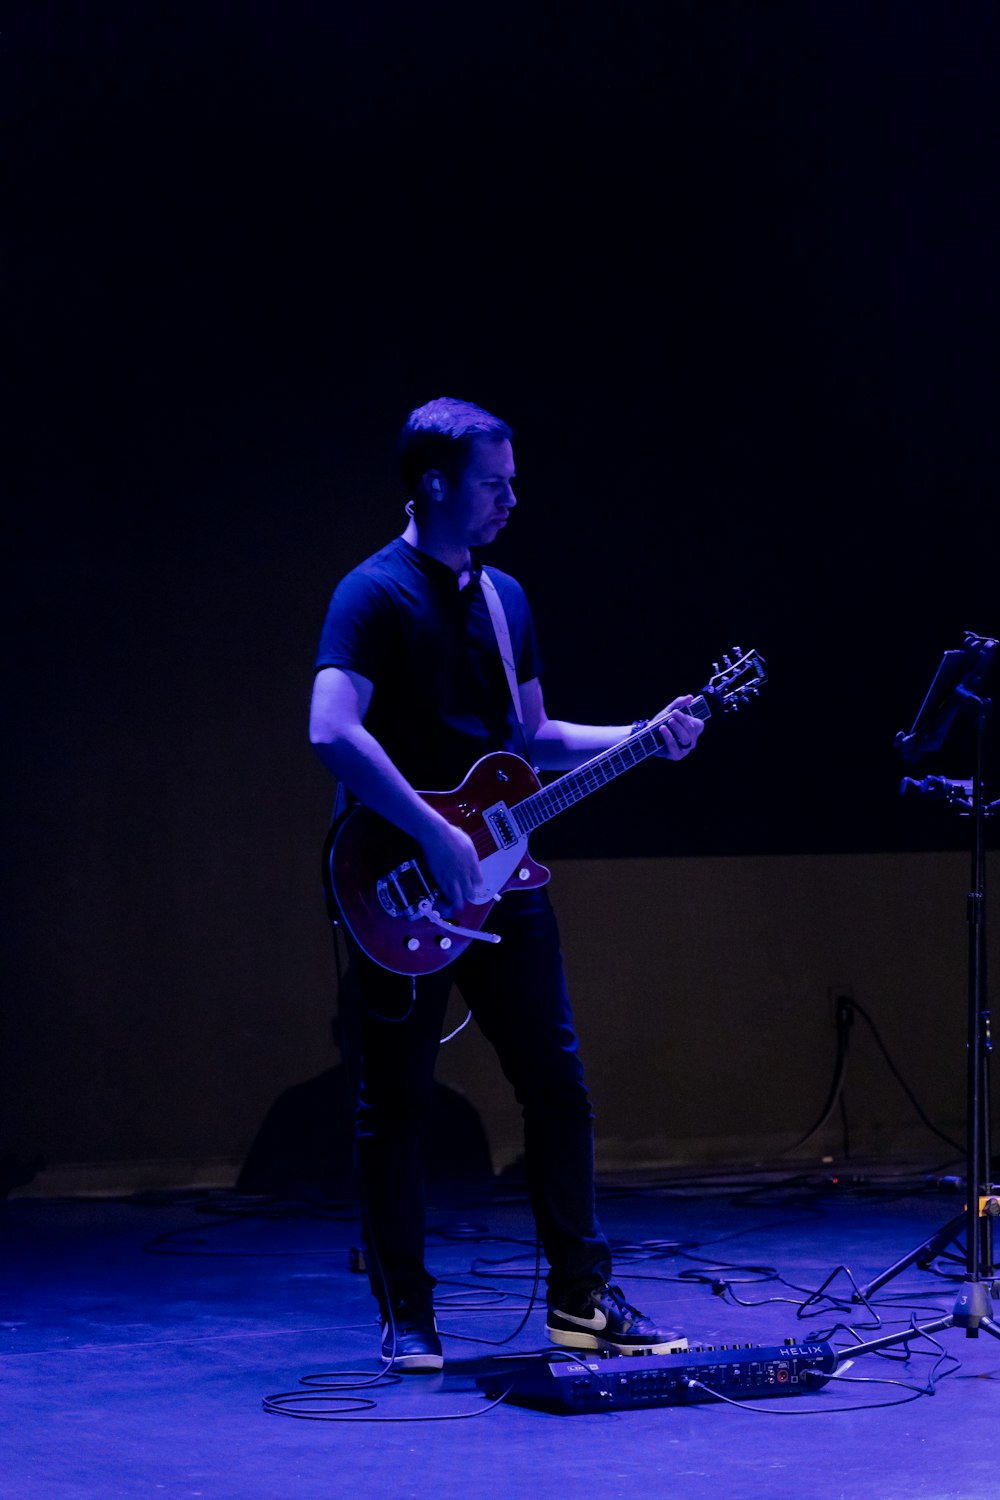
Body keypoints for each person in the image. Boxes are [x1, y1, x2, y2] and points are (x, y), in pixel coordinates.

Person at [309, 396, 704, 1372]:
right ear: (435, 483)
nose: (511, 499)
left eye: (512, 482)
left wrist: (644, 736)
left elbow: (530, 736)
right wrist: (430, 835)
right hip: (397, 882)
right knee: (394, 1100)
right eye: (495, 483)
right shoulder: (371, 593)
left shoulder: (505, 598)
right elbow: (330, 730)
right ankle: (407, 1312)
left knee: (557, 1088)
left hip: (502, 883)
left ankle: (581, 1303)